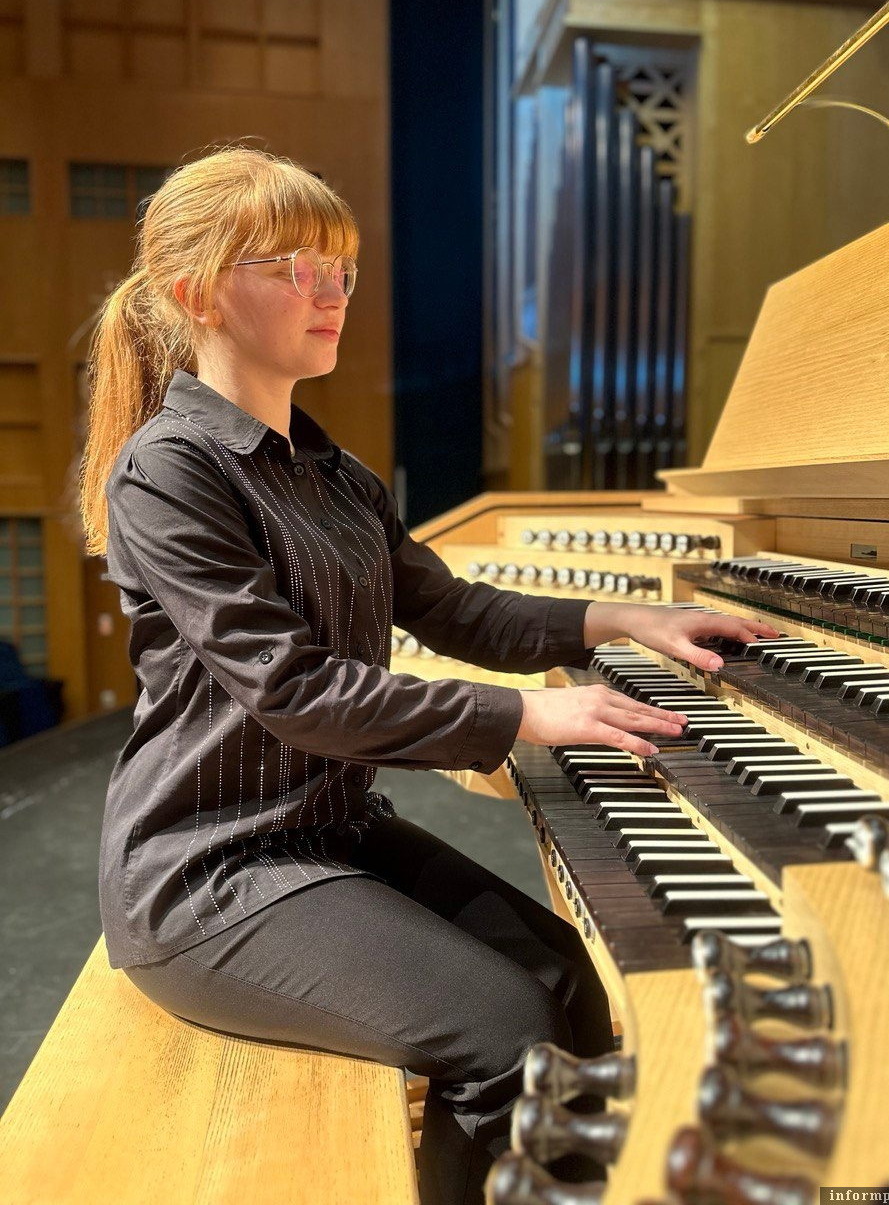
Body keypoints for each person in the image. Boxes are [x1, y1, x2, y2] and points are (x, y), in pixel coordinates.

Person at [78, 145, 778, 1205]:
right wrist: (528, 713)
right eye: (296, 268)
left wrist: (623, 615)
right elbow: (295, 691)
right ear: (197, 293)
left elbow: (454, 610)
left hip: (328, 832)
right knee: (510, 1033)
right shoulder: (168, 471)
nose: (331, 293)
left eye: (341, 268)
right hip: (208, 868)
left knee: (568, 980)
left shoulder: (334, 474)